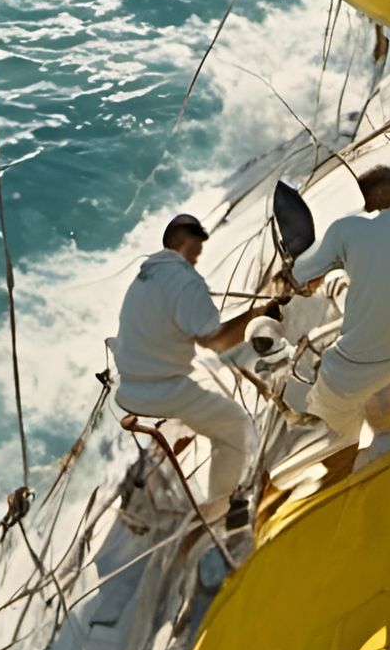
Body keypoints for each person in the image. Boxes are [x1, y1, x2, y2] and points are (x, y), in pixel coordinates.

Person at [108, 212, 273, 519]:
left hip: (129, 387)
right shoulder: (185, 281)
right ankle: (220, 513)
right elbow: (217, 342)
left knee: (204, 394)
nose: (197, 259)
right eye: (196, 251)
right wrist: (259, 313)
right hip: (162, 390)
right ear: (187, 244)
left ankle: (156, 473)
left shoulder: (145, 277)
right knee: (235, 426)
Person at [287, 166, 390, 463]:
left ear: (375, 196)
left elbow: (300, 274)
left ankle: (341, 472)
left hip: (358, 366)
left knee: (324, 425)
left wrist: (303, 269)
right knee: (389, 409)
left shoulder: (348, 229)